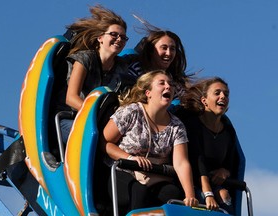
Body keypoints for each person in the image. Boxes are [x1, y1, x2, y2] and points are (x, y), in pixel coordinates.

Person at [100, 70, 198, 214]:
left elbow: (181, 163)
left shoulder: (177, 126)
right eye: (162, 83)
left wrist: (190, 195)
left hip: (153, 177)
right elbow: (104, 142)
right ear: (148, 93)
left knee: (172, 193)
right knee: (138, 190)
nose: (168, 87)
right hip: (124, 171)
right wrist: (130, 158)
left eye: (170, 84)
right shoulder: (131, 112)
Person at [53, 5, 131, 143]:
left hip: (99, 122)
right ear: (100, 38)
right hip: (69, 118)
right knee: (92, 136)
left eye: (123, 38)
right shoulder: (85, 58)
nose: (119, 39)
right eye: (114, 34)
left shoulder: (122, 67)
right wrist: (96, 115)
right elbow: (71, 98)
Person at [175, 77, 237, 214]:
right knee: (202, 198)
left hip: (213, 183)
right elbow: (198, 161)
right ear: (204, 101)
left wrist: (225, 171)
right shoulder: (193, 124)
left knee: (224, 195)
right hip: (191, 181)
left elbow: (231, 162)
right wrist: (208, 193)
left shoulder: (228, 129)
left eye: (226, 94)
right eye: (217, 93)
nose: (223, 97)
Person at [123, 18, 190, 98]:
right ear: (151, 50)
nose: (168, 53)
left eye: (172, 49)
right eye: (164, 48)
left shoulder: (176, 82)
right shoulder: (136, 70)